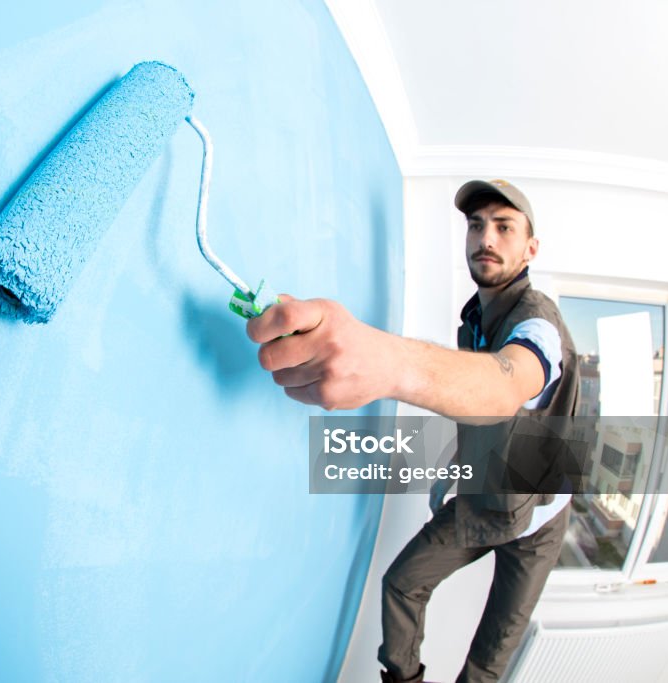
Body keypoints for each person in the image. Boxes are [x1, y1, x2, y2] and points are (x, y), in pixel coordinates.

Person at [246, 179, 579, 683]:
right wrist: (454, 467)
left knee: (487, 665)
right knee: (401, 584)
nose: (486, 237)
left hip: (541, 523)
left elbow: (507, 384)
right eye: (476, 225)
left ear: (531, 248)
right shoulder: (474, 319)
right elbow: (479, 408)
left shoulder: (539, 324)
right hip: (486, 501)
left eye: (504, 227)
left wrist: (391, 365)